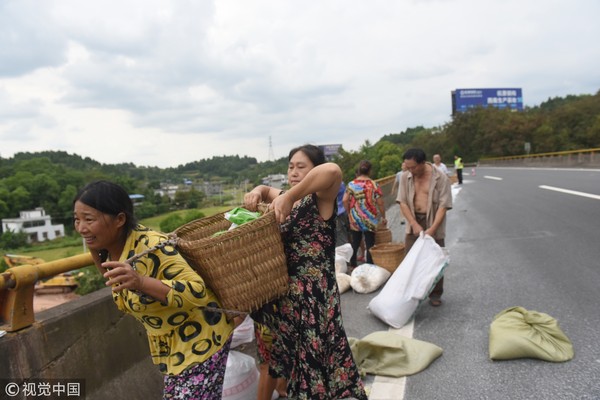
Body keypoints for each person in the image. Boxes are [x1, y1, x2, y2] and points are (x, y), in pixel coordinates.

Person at [73, 180, 234, 399]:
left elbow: (197, 291)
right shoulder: (108, 251)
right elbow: (118, 288)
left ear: (120, 219)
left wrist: (140, 282)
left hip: (201, 339)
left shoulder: (150, 246)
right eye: (77, 220)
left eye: (89, 219)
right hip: (173, 350)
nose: (81, 228)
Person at [243, 144, 367, 400]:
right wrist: (257, 191)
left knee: (317, 366)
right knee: (296, 366)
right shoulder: (288, 199)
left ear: (314, 170)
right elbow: (267, 190)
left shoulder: (321, 200)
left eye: (302, 167)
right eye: (291, 167)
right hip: (289, 300)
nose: (294, 172)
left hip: (315, 301)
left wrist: (289, 196)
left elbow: (332, 170)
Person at [398, 148, 452, 307]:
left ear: (422, 163)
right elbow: (402, 202)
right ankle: (410, 294)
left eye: (413, 167)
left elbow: (444, 206)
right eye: (407, 167)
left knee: (435, 259)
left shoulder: (440, 177)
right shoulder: (405, 176)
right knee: (409, 259)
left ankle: (436, 294)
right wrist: (414, 224)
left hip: (434, 219)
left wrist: (433, 229)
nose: (410, 170)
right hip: (413, 220)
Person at [343, 160, 386, 267]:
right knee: (370, 242)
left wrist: (349, 213)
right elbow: (380, 203)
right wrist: (383, 216)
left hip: (355, 217)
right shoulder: (374, 184)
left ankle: (352, 263)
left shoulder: (351, 184)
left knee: (355, 241)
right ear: (370, 171)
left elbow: (344, 200)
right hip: (370, 218)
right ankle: (369, 264)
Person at [335, 181, 350, 247]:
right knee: (353, 232)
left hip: (337, 212)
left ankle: (350, 254)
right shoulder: (342, 183)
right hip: (345, 210)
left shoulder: (327, 186)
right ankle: (361, 251)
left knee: (342, 234)